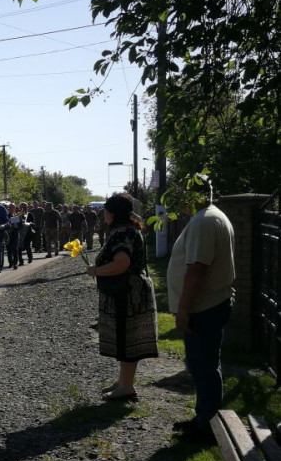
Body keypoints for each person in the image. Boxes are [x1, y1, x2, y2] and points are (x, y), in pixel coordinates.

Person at [166, 182, 236, 439]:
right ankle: (203, 418)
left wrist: (183, 308)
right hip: (211, 303)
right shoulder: (212, 217)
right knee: (204, 364)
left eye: (180, 195)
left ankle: (206, 426)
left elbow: (197, 270)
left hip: (204, 306)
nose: (178, 202)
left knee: (203, 366)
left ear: (191, 195)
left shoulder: (203, 222)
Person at [87, 193, 158, 401]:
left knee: (126, 337)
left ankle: (126, 387)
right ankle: (123, 381)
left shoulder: (121, 233)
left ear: (112, 213)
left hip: (126, 294)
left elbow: (121, 263)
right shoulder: (129, 229)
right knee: (125, 337)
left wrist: (95, 271)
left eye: (106, 211)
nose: (103, 215)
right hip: (130, 290)